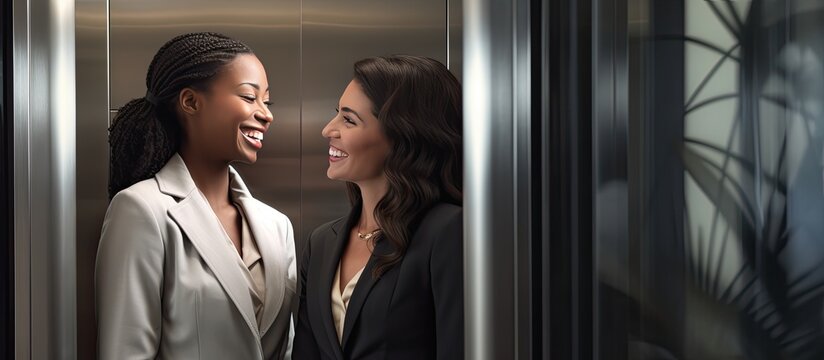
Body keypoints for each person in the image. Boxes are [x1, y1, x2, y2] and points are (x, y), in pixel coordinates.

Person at [95, 32, 295, 359]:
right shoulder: (142, 210)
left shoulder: (278, 226)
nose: (266, 114)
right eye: (249, 97)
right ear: (190, 102)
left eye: (267, 102)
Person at [293, 55, 463, 359]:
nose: (328, 130)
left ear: (402, 135)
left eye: (348, 119)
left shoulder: (449, 232)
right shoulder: (321, 242)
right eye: (337, 114)